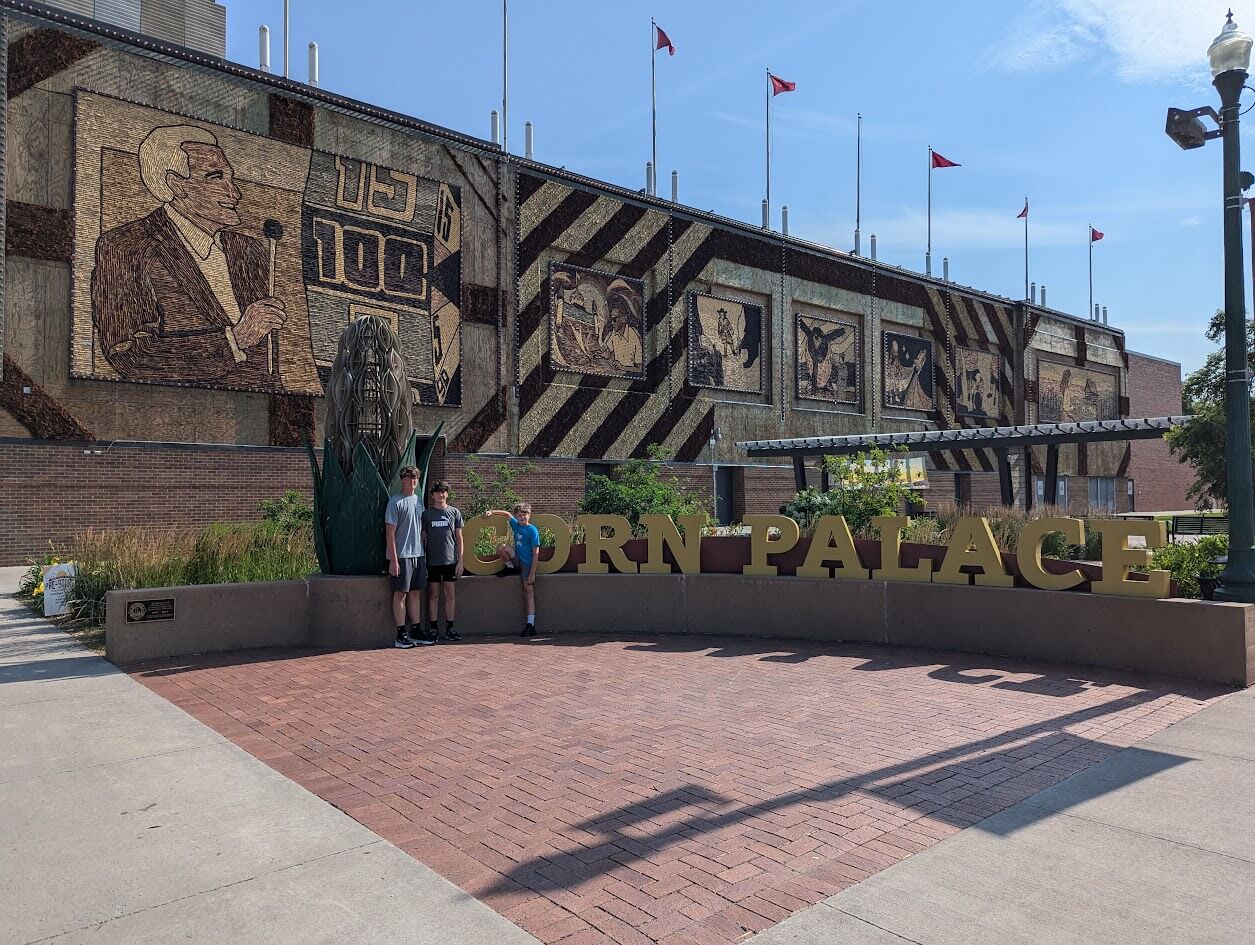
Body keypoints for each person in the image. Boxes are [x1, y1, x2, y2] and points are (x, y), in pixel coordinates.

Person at [91, 124, 287, 389]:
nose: (234, 193)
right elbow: (130, 355)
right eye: (216, 177)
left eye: (230, 177)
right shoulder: (128, 246)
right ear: (176, 184)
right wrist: (236, 339)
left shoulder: (249, 250)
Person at [385, 466, 431, 648]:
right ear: (402, 480)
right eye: (409, 478)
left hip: (418, 554)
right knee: (401, 594)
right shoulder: (395, 502)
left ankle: (416, 630)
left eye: (415, 478)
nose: (412, 481)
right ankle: (400, 633)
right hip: (402, 556)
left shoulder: (419, 501)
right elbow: (390, 533)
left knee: (415, 593)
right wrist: (394, 560)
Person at [487, 502, 540, 637]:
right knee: (501, 547)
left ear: (529, 515)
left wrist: (532, 574)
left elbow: (536, 554)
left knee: (528, 591)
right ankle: (510, 567)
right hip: (517, 560)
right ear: (517, 516)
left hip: (528, 564)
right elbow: (507, 514)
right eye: (520, 515)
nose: (523, 517)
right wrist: (492, 512)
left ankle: (531, 624)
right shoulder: (515, 525)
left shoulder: (532, 530)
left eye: (525, 515)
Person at [421, 481, 464, 642]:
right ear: (432, 495)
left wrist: (460, 561)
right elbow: (423, 538)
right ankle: (433, 628)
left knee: (449, 594)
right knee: (433, 594)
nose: (441, 495)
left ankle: (450, 627)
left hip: (450, 561)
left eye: (444, 492)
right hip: (432, 562)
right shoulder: (427, 514)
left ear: (447, 494)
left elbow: (459, 538)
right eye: (438, 492)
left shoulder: (454, 512)